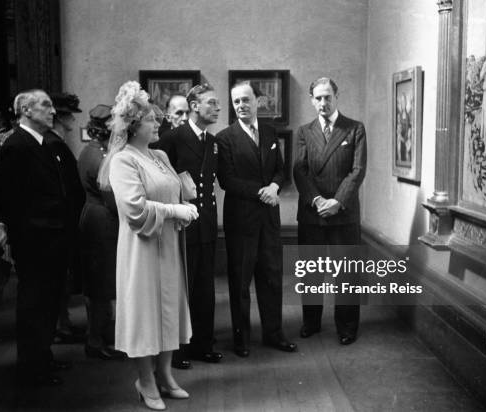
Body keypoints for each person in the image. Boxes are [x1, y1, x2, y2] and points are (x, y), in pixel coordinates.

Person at [98, 81, 197, 410]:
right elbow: (135, 210)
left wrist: (184, 211)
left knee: (169, 310)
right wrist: (175, 211)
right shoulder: (123, 161)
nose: (159, 124)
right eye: (153, 119)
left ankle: (166, 375)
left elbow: (174, 191)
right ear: (134, 125)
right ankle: (145, 380)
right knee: (145, 313)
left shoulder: (160, 154)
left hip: (168, 243)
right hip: (141, 248)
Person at [0, 89, 82, 386]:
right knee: (34, 305)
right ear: (26, 110)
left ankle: (42, 357)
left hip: (53, 239)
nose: (52, 111)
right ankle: (31, 367)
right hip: (35, 242)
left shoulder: (45, 144)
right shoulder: (16, 145)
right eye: (45, 105)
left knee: (48, 303)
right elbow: (7, 198)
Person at [217, 81, 297, 357]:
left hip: (269, 219)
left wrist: (275, 186)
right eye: (236, 101)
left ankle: (274, 334)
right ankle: (242, 339)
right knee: (240, 282)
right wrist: (261, 192)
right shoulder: (225, 138)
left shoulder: (270, 132)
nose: (241, 106)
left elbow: (279, 170)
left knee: (272, 277)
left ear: (257, 102)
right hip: (241, 220)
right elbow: (227, 180)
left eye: (246, 100)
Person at [293, 77, 367, 345]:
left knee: (346, 273)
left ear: (336, 96)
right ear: (312, 100)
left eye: (328, 97)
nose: (323, 103)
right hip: (312, 213)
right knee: (311, 271)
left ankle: (347, 327)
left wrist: (337, 201)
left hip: (343, 213)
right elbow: (299, 170)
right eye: (318, 98)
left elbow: (358, 170)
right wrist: (316, 201)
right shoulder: (304, 131)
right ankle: (310, 322)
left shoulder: (354, 129)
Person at [156, 84, 223, 369]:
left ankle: (202, 345)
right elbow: (159, 184)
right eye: (212, 103)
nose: (218, 108)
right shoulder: (171, 139)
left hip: (206, 224)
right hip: (180, 225)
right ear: (195, 106)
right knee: (180, 289)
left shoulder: (212, 141)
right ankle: (177, 350)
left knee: (204, 289)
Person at [77, 104, 125, 360]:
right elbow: (112, 199)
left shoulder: (93, 150)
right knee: (101, 285)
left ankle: (100, 336)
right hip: (102, 222)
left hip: (95, 218)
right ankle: (95, 341)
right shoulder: (100, 157)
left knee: (101, 283)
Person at [46, 92, 88, 345]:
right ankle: (60, 326)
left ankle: (63, 324)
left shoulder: (57, 142)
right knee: (58, 280)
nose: (73, 119)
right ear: (60, 117)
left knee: (63, 279)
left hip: (68, 222)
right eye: (70, 114)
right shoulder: (54, 144)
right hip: (62, 224)